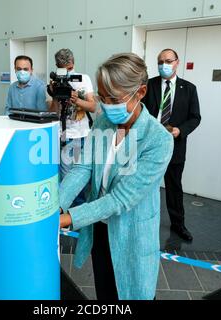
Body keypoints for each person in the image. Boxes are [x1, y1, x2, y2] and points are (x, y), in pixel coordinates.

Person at [59, 53, 174, 300]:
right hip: (100, 228)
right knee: (106, 292)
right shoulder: (103, 122)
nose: (107, 105)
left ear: (140, 92)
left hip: (132, 230)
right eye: (103, 97)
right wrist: (56, 205)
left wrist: (67, 219)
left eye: (114, 98)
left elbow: (120, 200)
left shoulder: (158, 140)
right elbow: (84, 168)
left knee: (133, 291)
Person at [142, 48, 201, 242]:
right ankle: (141, 220)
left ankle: (178, 224)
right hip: (149, 145)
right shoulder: (148, 86)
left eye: (168, 61)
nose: (163, 65)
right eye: (160, 62)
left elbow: (195, 118)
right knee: (144, 184)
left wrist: (180, 131)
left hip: (174, 145)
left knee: (174, 187)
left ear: (177, 62)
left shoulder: (189, 88)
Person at [49, 49, 97, 206]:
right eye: (63, 69)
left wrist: (77, 100)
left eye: (69, 68)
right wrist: (55, 96)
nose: (67, 73)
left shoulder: (83, 79)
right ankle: (67, 213)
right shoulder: (54, 83)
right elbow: (53, 114)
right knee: (66, 179)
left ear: (73, 63)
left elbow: (92, 106)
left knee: (79, 178)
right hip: (63, 135)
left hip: (81, 135)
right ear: (57, 67)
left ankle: (77, 215)